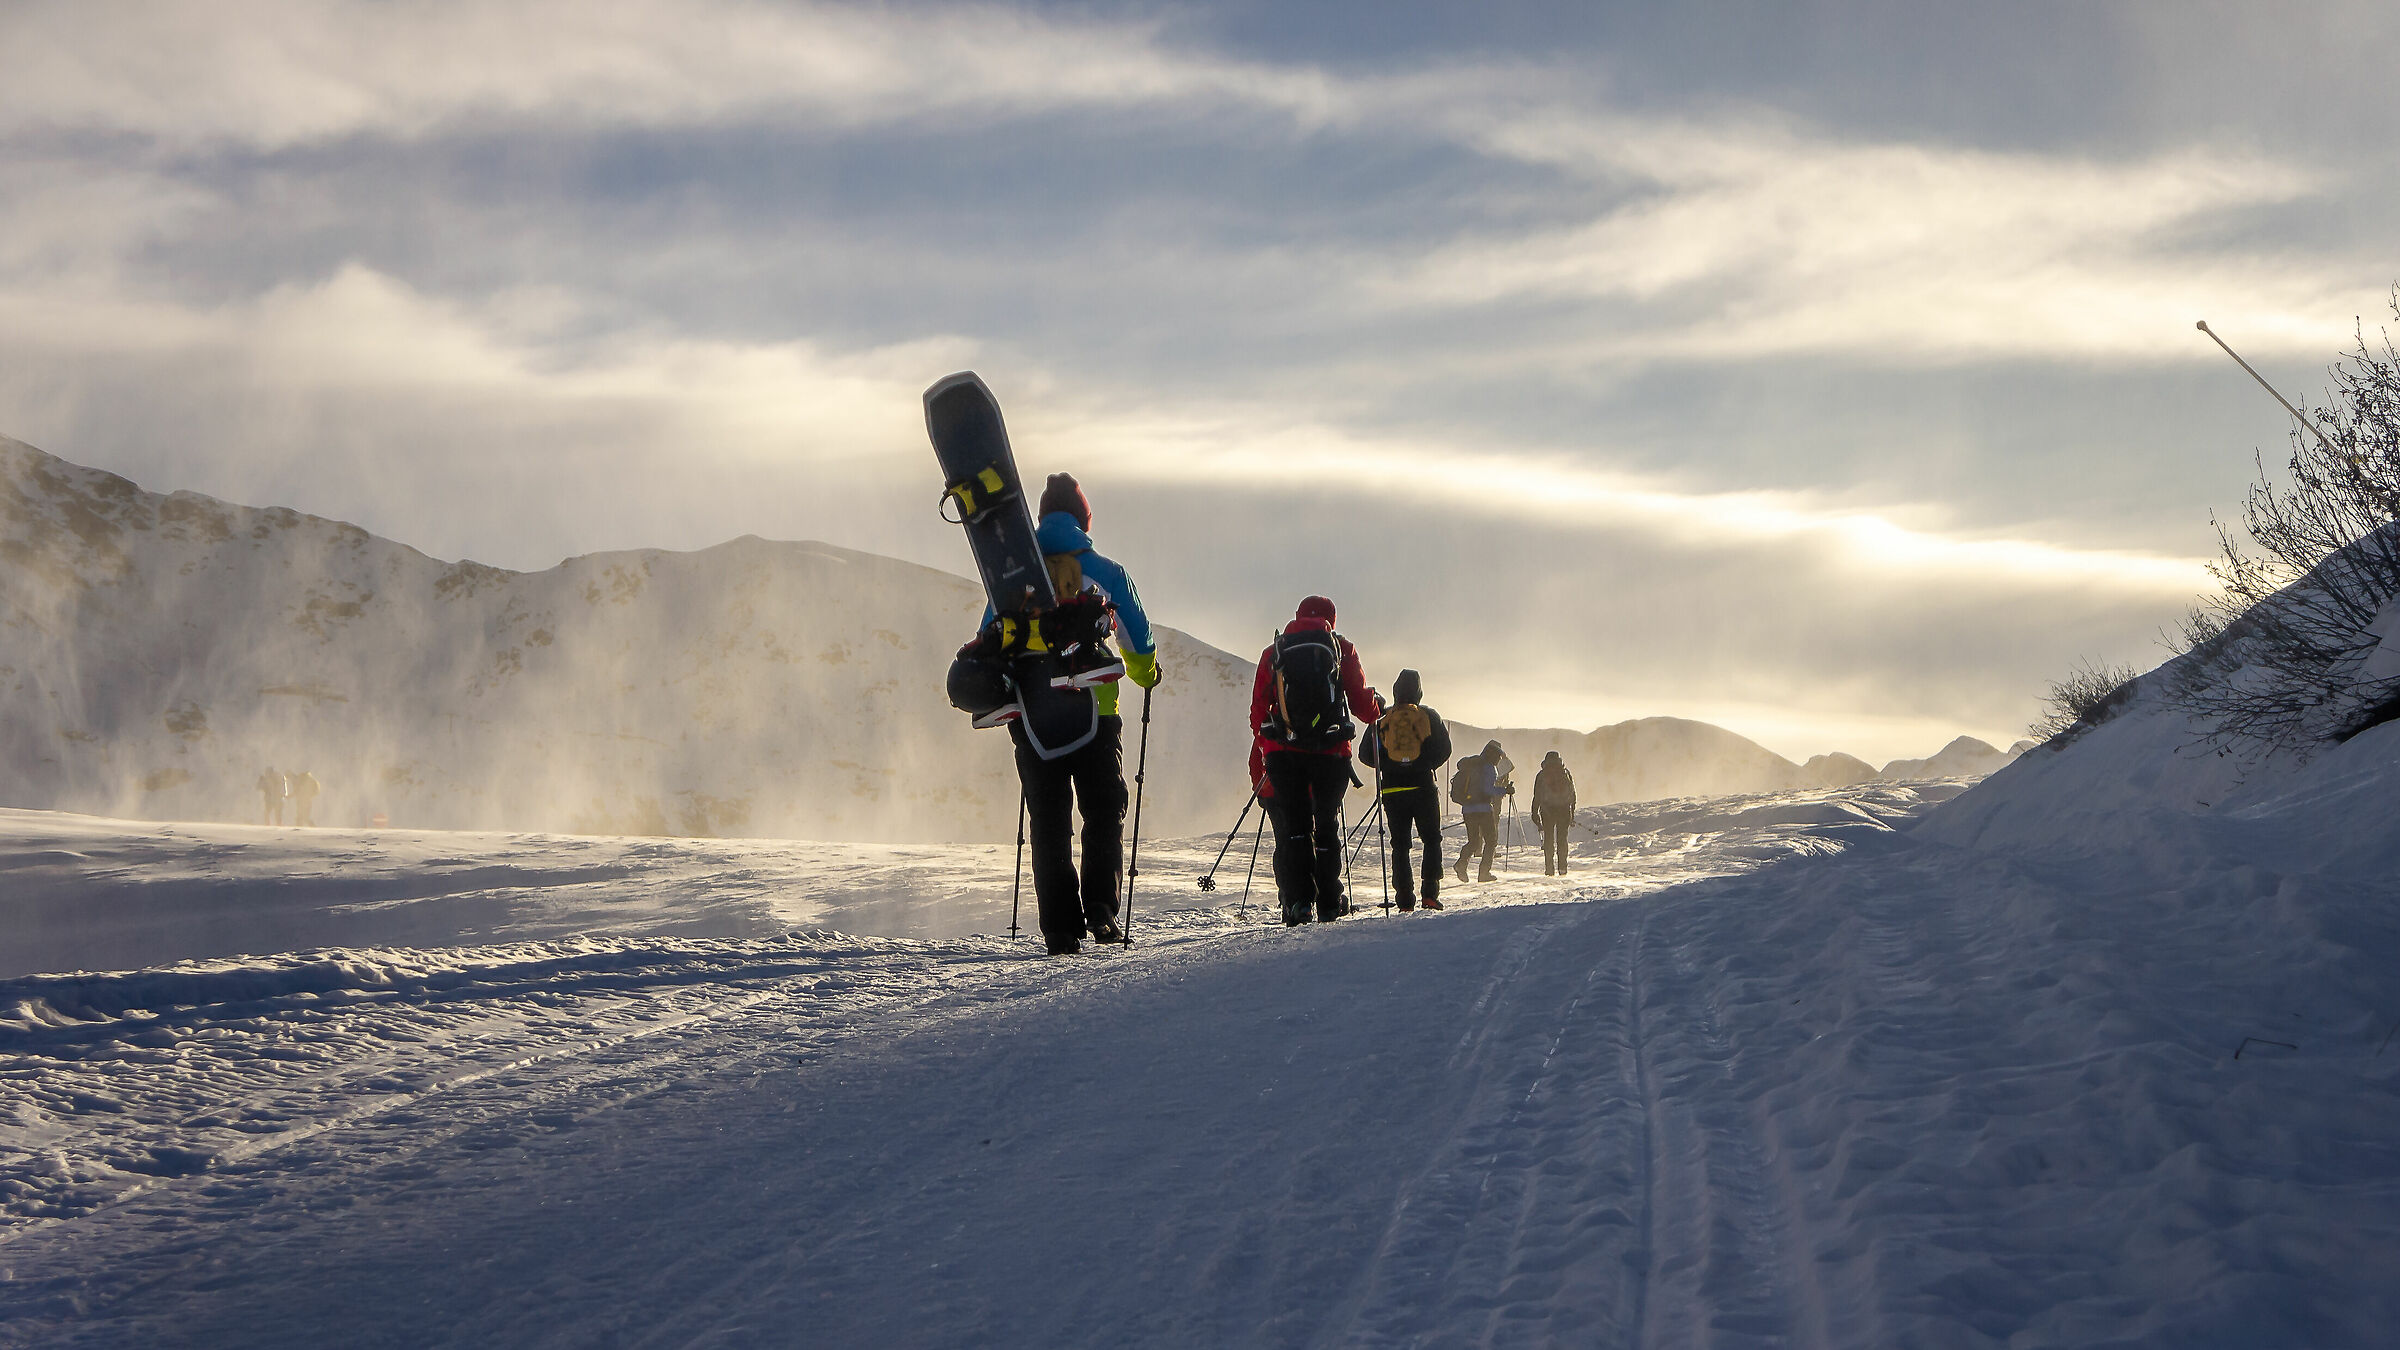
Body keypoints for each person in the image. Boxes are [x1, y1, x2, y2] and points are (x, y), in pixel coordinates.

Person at [1002, 473, 1160, 955]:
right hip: (1096, 712)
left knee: (1048, 821)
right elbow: (1137, 637)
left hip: (1033, 720)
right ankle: (1102, 913)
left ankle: (1059, 928)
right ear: (1083, 518)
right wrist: (1145, 673)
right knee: (1103, 811)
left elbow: (994, 634)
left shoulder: (1013, 574)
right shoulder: (1107, 571)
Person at [1251, 596, 1381, 925]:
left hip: (1284, 753)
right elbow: (1363, 706)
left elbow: (1257, 710)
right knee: (1326, 826)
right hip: (1330, 752)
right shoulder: (1342, 649)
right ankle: (1329, 901)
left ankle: (1298, 902)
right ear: (1332, 620)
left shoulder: (1275, 651)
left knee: (1295, 828)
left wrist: (1272, 744)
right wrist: (1375, 706)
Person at [1358, 669, 1452, 911]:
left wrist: (1390, 766)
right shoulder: (1429, 716)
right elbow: (1444, 750)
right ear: (1419, 692)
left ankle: (1404, 899)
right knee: (1431, 840)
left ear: (1395, 691)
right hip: (1423, 786)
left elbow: (1366, 754)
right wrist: (1424, 765)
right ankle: (1430, 894)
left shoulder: (1383, 718)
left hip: (1392, 789)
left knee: (1400, 845)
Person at [1451, 740, 1511, 883]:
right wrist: (1505, 790)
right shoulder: (1489, 767)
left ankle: (1461, 864)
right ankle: (1484, 873)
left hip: (1468, 808)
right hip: (1484, 808)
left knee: (1473, 841)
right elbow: (1487, 789)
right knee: (1491, 841)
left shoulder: (1472, 765)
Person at [1530, 750, 1576, 875]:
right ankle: (1563, 867)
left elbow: (1537, 795)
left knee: (1548, 840)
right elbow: (1572, 793)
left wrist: (1534, 813)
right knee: (1562, 839)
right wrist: (1572, 812)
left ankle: (1549, 868)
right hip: (1564, 810)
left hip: (1547, 811)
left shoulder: (1542, 774)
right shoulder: (1565, 772)